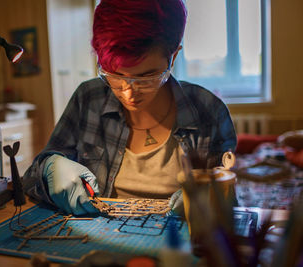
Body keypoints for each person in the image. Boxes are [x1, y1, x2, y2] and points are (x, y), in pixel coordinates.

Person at [23, 0, 237, 215]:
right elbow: (31, 178)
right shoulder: (89, 98)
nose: (127, 93)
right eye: (114, 75)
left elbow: (229, 207)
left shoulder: (208, 110)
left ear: (173, 57)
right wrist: (50, 167)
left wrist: (212, 197)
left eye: (145, 77)